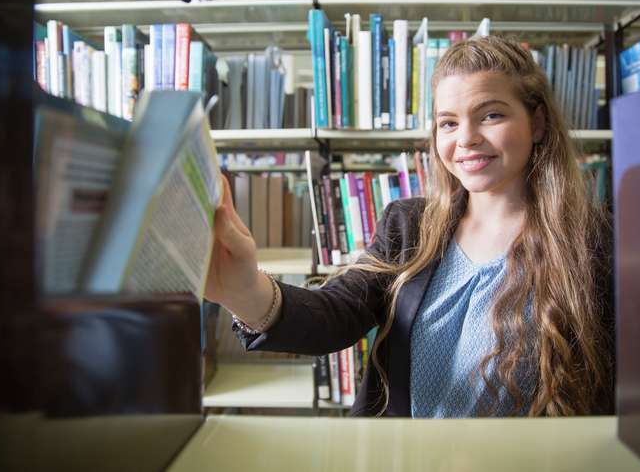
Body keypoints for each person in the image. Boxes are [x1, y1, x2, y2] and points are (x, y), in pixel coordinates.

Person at [204, 35, 614, 418]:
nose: (466, 138)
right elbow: (335, 314)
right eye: (448, 123)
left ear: (538, 123)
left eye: (491, 115)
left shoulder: (594, 243)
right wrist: (245, 291)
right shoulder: (410, 226)